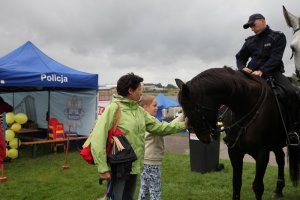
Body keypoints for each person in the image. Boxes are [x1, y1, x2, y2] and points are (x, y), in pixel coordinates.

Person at [90, 73, 186, 200]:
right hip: (118, 166)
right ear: (130, 90)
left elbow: (160, 128)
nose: (141, 93)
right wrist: (102, 168)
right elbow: (98, 138)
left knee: (128, 197)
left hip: (134, 166)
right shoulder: (113, 108)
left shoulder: (140, 111)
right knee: (116, 198)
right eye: (139, 90)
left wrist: (184, 125)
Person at [236, 13, 299, 136]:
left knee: (292, 93)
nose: (252, 28)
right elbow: (240, 57)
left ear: (263, 21)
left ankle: (293, 129)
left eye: (253, 25)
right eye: (250, 26)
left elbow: (276, 58)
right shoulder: (249, 41)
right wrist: (243, 68)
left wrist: (262, 70)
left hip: (272, 73)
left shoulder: (277, 37)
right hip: (250, 74)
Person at [137, 95, 184, 200]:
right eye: (154, 105)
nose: (157, 107)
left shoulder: (141, 120)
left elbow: (167, 126)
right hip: (152, 162)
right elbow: (167, 128)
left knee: (144, 190)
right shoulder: (151, 122)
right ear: (145, 107)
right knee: (155, 192)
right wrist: (183, 117)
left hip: (145, 161)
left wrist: (182, 116)